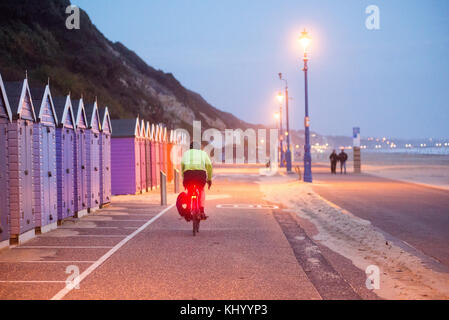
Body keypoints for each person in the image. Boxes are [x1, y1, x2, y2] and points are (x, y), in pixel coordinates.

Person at [181, 141, 213, 220]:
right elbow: (209, 166)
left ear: (190, 147)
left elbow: (182, 166)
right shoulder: (203, 153)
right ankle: (201, 210)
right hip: (200, 175)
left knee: (189, 191)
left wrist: (183, 178)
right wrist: (209, 179)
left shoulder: (186, 153)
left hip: (188, 175)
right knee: (201, 190)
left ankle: (188, 209)